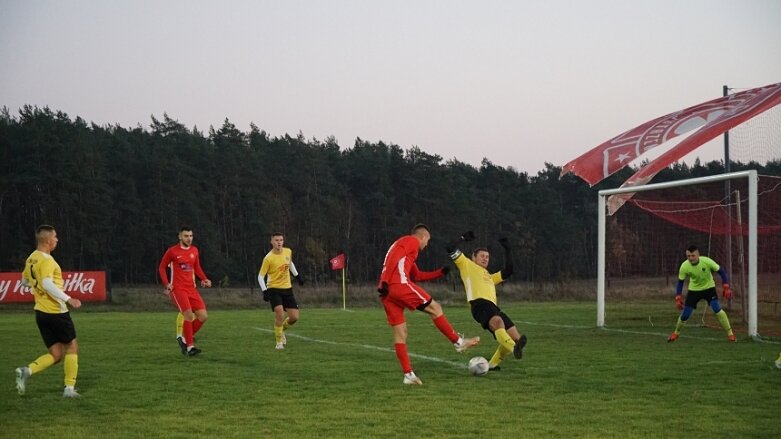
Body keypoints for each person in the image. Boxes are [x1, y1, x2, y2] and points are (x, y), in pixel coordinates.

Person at [378, 223, 480, 385]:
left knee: (401, 333)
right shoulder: (411, 241)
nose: (426, 245)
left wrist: (439, 273)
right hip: (397, 284)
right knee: (436, 308)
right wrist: (384, 281)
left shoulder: (406, 249)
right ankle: (459, 343)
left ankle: (408, 375)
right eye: (428, 241)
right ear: (423, 236)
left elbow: (417, 275)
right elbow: (394, 257)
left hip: (388, 293)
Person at [15, 224, 83, 398]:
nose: (57, 240)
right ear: (47, 240)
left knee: (56, 354)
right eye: (55, 237)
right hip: (55, 312)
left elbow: (24, 282)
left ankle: (26, 371)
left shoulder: (31, 258)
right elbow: (46, 283)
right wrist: (69, 299)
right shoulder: (47, 260)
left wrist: (36, 287)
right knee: (72, 347)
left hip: (40, 313)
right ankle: (69, 389)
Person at [447, 231, 527, 371]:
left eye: (487, 257)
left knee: (515, 337)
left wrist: (508, 250)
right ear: (473, 257)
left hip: (493, 307)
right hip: (479, 304)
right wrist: (462, 239)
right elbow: (449, 247)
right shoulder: (466, 265)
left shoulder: (490, 276)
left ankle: (491, 365)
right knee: (498, 323)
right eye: (482, 256)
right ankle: (514, 349)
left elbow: (509, 270)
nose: (485, 259)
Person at [158, 226, 212, 356]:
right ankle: (189, 347)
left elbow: (197, 267)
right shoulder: (172, 251)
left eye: (191, 236)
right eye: (186, 236)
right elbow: (161, 267)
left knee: (203, 316)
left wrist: (204, 279)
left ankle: (183, 338)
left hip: (191, 289)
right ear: (180, 237)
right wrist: (167, 284)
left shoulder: (194, 250)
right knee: (188, 315)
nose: (189, 239)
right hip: (178, 289)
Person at [668, 245, 735, 343]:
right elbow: (680, 282)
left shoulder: (707, 261)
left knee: (717, 310)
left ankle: (730, 334)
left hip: (709, 289)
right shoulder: (684, 266)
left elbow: (721, 271)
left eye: (693, 256)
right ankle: (676, 333)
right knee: (685, 315)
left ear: (698, 255)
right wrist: (678, 297)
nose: (690, 258)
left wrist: (726, 286)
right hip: (694, 291)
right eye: (688, 256)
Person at [257, 232, 304, 350]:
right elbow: (260, 276)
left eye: (281, 240)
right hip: (273, 289)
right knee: (280, 314)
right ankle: (279, 343)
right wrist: (264, 291)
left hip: (287, 288)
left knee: (294, 317)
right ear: (272, 242)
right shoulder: (268, 258)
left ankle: (281, 330)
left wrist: (297, 276)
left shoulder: (288, 251)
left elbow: (290, 263)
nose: (279, 242)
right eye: (276, 240)